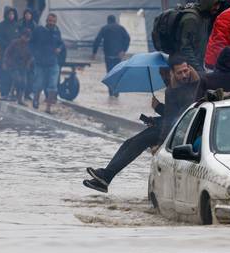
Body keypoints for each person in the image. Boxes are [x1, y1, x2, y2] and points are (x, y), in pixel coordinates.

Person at [84, 56, 201, 193]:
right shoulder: (172, 90)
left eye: (185, 71)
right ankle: (105, 177)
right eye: (179, 73)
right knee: (129, 142)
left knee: (137, 142)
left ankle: (106, 176)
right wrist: (158, 111)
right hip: (170, 126)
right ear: (173, 73)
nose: (184, 75)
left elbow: (177, 117)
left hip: (180, 130)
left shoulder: (196, 84)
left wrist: (161, 142)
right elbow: (173, 114)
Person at [175, 0, 224, 72]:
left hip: (196, 66)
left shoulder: (204, 17)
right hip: (185, 69)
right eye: (214, 4)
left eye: (218, 4)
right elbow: (185, 48)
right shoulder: (192, 19)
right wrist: (198, 69)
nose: (217, 7)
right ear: (207, 2)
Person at [29, 13, 63, 113]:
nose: (51, 23)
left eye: (53, 21)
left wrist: (59, 49)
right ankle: (36, 99)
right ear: (46, 21)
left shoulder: (57, 32)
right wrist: (35, 54)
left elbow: (61, 43)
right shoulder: (39, 30)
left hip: (53, 62)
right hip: (40, 62)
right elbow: (31, 43)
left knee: (53, 85)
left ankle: (48, 107)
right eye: (50, 21)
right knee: (39, 84)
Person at [92, 15, 131, 96]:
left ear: (108, 21)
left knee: (110, 73)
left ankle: (111, 92)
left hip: (108, 55)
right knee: (117, 73)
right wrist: (124, 50)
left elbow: (97, 40)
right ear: (115, 20)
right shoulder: (121, 28)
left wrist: (94, 52)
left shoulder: (105, 28)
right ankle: (116, 92)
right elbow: (127, 38)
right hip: (118, 55)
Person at [3, 30, 33, 106]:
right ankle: (14, 95)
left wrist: (28, 63)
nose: (26, 39)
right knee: (17, 80)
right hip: (13, 65)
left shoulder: (29, 45)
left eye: (27, 37)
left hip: (23, 66)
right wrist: (5, 62)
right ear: (21, 36)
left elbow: (31, 56)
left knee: (24, 82)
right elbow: (7, 53)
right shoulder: (15, 43)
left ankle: (20, 98)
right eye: (25, 36)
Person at [0, 6, 19, 101]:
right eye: (9, 14)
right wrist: (7, 44)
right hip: (5, 54)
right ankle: (4, 93)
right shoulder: (1, 25)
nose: (11, 16)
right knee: (4, 73)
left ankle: (12, 93)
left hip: (15, 54)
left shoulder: (16, 25)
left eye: (13, 14)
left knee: (13, 74)